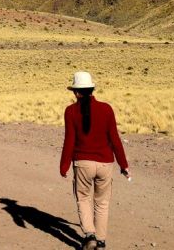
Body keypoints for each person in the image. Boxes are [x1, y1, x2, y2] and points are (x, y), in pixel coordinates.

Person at [59, 72, 130, 250]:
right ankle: (101, 241)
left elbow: (69, 140)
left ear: (76, 92)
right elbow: (115, 139)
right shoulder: (106, 109)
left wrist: (64, 165)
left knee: (83, 199)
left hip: (82, 163)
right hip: (105, 163)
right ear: (92, 89)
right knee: (102, 203)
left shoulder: (70, 111)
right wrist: (123, 164)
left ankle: (90, 235)